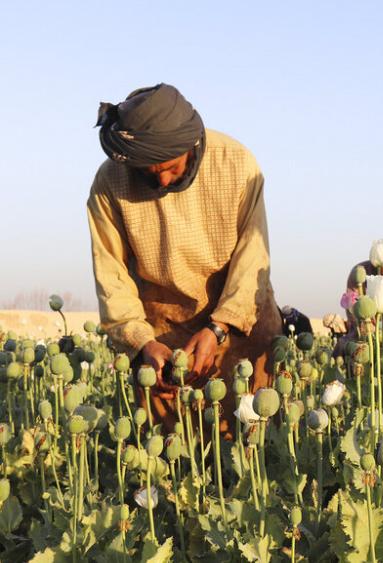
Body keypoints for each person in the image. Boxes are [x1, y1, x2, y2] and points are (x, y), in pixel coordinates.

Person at [87, 83, 282, 437]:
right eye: (147, 171)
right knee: (175, 461)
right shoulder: (110, 182)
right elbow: (111, 274)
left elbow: (253, 259)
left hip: (240, 324)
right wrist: (142, 343)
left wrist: (218, 328)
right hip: (163, 338)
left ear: (191, 146)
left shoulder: (236, 164)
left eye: (170, 167)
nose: (160, 179)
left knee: (252, 447)